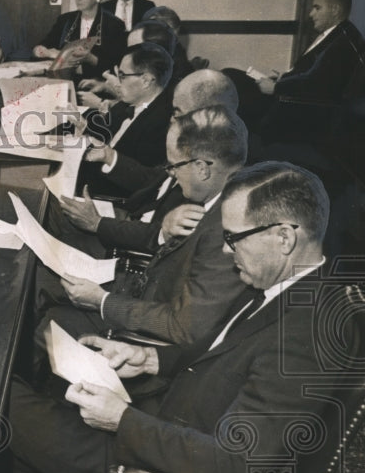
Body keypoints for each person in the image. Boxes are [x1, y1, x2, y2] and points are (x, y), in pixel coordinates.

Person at [10, 161, 365, 473]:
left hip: (153, 466)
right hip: (158, 421)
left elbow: (237, 464)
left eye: (233, 238)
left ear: (284, 238)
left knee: (0, 401)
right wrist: (149, 358)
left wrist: (121, 420)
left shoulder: (308, 335)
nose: (227, 252)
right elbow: (224, 359)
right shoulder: (280, 286)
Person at [53, 106, 250, 345]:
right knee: (45, 283)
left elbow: (185, 327)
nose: (172, 176)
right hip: (137, 288)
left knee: (45, 323)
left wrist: (102, 300)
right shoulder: (221, 198)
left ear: (201, 168)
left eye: (175, 166)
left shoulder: (228, 231)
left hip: (138, 323)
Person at [256, 0, 365, 146]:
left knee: (241, 92)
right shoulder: (335, 34)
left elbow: (316, 81)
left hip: (307, 111)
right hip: (299, 99)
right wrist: (283, 78)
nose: (311, 14)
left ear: (335, 9)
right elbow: (312, 72)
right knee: (236, 77)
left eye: (317, 8)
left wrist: (276, 88)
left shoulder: (343, 42)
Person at [77, 42, 175, 198]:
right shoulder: (126, 104)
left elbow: (142, 183)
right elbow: (102, 136)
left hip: (110, 197)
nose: (116, 82)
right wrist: (82, 126)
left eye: (122, 76)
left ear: (146, 81)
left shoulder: (163, 123)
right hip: (91, 180)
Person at [34, 0, 126, 79]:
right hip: (62, 79)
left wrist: (91, 59)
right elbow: (43, 45)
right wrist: (40, 50)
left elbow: (117, 66)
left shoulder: (114, 25)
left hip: (95, 84)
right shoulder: (65, 20)